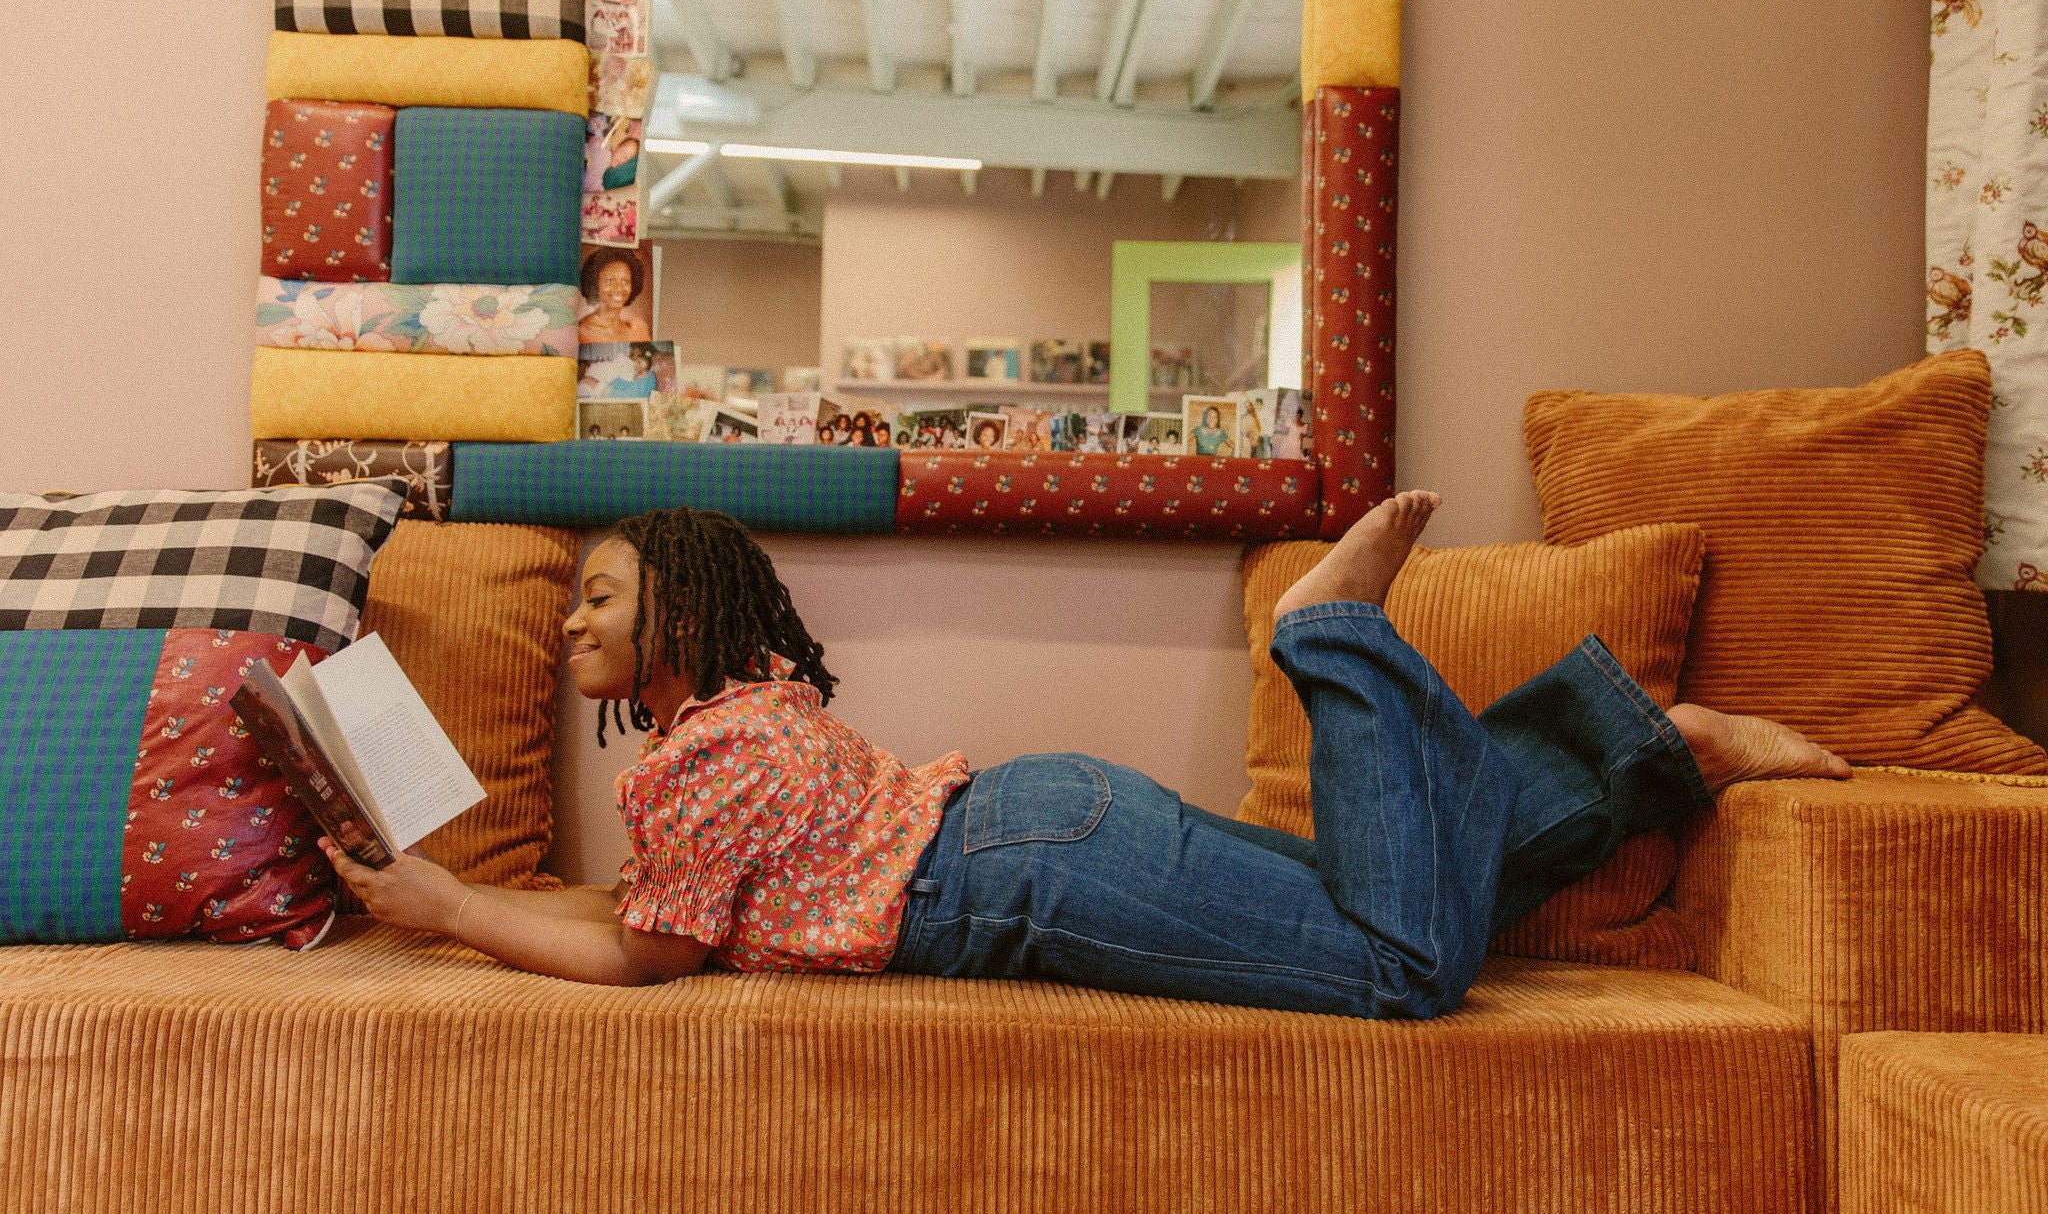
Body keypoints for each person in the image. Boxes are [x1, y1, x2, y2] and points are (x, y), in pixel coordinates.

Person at [325, 496, 1848, 1011]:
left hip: (1031, 875)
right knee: (1376, 892)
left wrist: (451, 914)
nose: (572, 624)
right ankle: (1652, 745)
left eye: (600, 596)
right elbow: (645, 910)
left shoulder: (719, 753)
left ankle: (1330, 641)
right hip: (1039, 828)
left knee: (1403, 969)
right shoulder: (728, 734)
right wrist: (456, 893)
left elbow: (654, 955)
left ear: (687, 611)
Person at [578, 248, 648, 343]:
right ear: (594, 284)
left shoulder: (638, 330)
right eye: (610, 281)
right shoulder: (582, 332)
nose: (619, 288)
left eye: (625, 281)